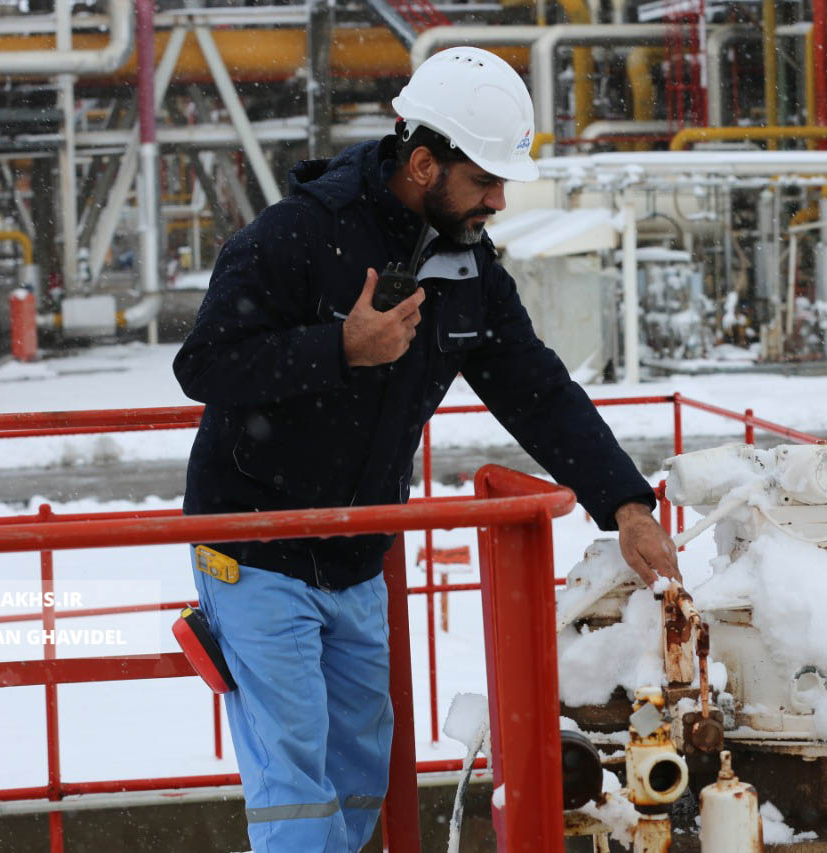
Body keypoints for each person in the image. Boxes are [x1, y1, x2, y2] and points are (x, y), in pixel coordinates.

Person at [173, 46, 679, 853]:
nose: (499, 200)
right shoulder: (299, 234)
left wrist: (624, 502)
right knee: (296, 781)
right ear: (421, 164)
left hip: (356, 554)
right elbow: (203, 363)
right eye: (484, 181)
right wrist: (339, 348)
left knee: (360, 768)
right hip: (255, 549)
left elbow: (535, 388)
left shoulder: (465, 263)